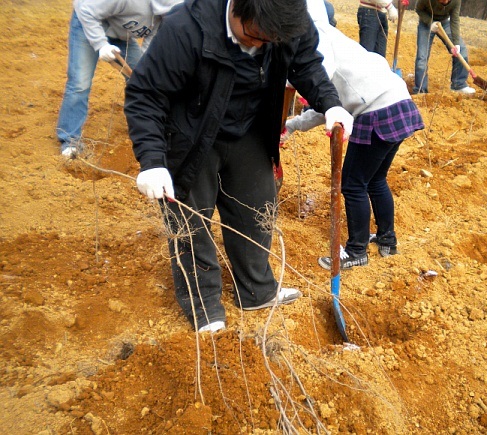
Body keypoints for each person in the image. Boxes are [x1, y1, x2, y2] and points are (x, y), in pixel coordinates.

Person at [124, 0, 354, 333]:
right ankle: (205, 309)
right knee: (190, 222)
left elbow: (305, 64)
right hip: (189, 133)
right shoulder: (185, 29)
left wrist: (330, 104)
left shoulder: (287, 18)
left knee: (257, 210)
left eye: (269, 41)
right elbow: (145, 95)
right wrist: (152, 161)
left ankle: (257, 291)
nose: (259, 45)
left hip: (249, 127)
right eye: (254, 35)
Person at [283, 0, 424, 270]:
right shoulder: (335, 37)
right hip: (399, 101)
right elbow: (330, 105)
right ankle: (387, 240)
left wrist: (292, 119)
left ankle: (356, 250)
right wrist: (293, 126)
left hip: (376, 109)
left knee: (353, 183)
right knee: (375, 179)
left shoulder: (316, 43)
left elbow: (325, 101)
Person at [56, 0, 182, 158]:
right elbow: (85, 9)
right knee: (80, 83)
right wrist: (101, 44)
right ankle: (70, 140)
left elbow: (149, 48)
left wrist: (144, 71)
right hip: (88, 24)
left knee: (142, 80)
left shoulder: (164, 17)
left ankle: (148, 126)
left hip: (121, 35)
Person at [413, 0, 475, 94]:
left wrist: (456, 43)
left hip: (445, 22)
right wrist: (430, 23)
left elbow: (455, 19)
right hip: (426, 23)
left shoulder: (456, 1)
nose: (445, 2)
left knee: (461, 51)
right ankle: (420, 90)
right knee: (422, 57)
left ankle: (458, 84)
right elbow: (418, 9)